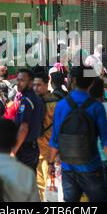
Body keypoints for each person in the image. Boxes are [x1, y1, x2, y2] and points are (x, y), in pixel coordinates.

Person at [48, 65, 107, 202]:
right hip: (92, 166)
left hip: (68, 167)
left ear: (73, 80)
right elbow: (106, 140)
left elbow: (55, 139)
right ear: (91, 83)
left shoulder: (62, 105)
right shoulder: (96, 107)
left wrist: (51, 163)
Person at [33, 72, 62, 201]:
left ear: (47, 84)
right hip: (37, 154)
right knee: (41, 187)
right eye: (34, 85)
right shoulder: (34, 103)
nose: (36, 88)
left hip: (51, 155)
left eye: (39, 85)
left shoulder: (54, 104)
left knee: (51, 188)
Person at [12, 69, 45, 171]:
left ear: (30, 83)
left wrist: (13, 151)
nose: (18, 83)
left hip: (24, 149)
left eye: (22, 80)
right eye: (17, 80)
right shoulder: (37, 98)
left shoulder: (27, 101)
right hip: (33, 148)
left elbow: (24, 127)